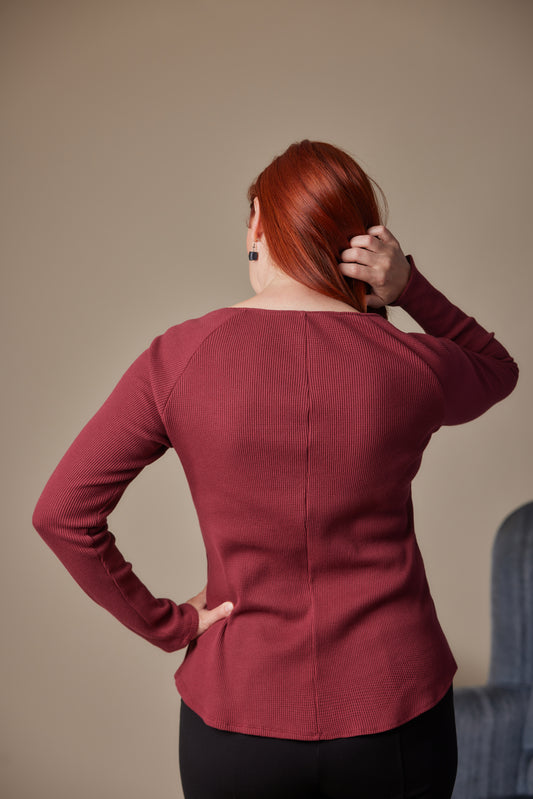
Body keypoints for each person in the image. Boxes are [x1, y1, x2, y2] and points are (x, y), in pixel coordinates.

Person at [32, 140, 519, 799]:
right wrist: (408, 289)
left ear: (257, 222)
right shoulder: (407, 361)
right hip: (394, 713)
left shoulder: (181, 355)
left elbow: (62, 512)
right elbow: (496, 371)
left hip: (237, 717)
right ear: (361, 244)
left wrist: (168, 623)